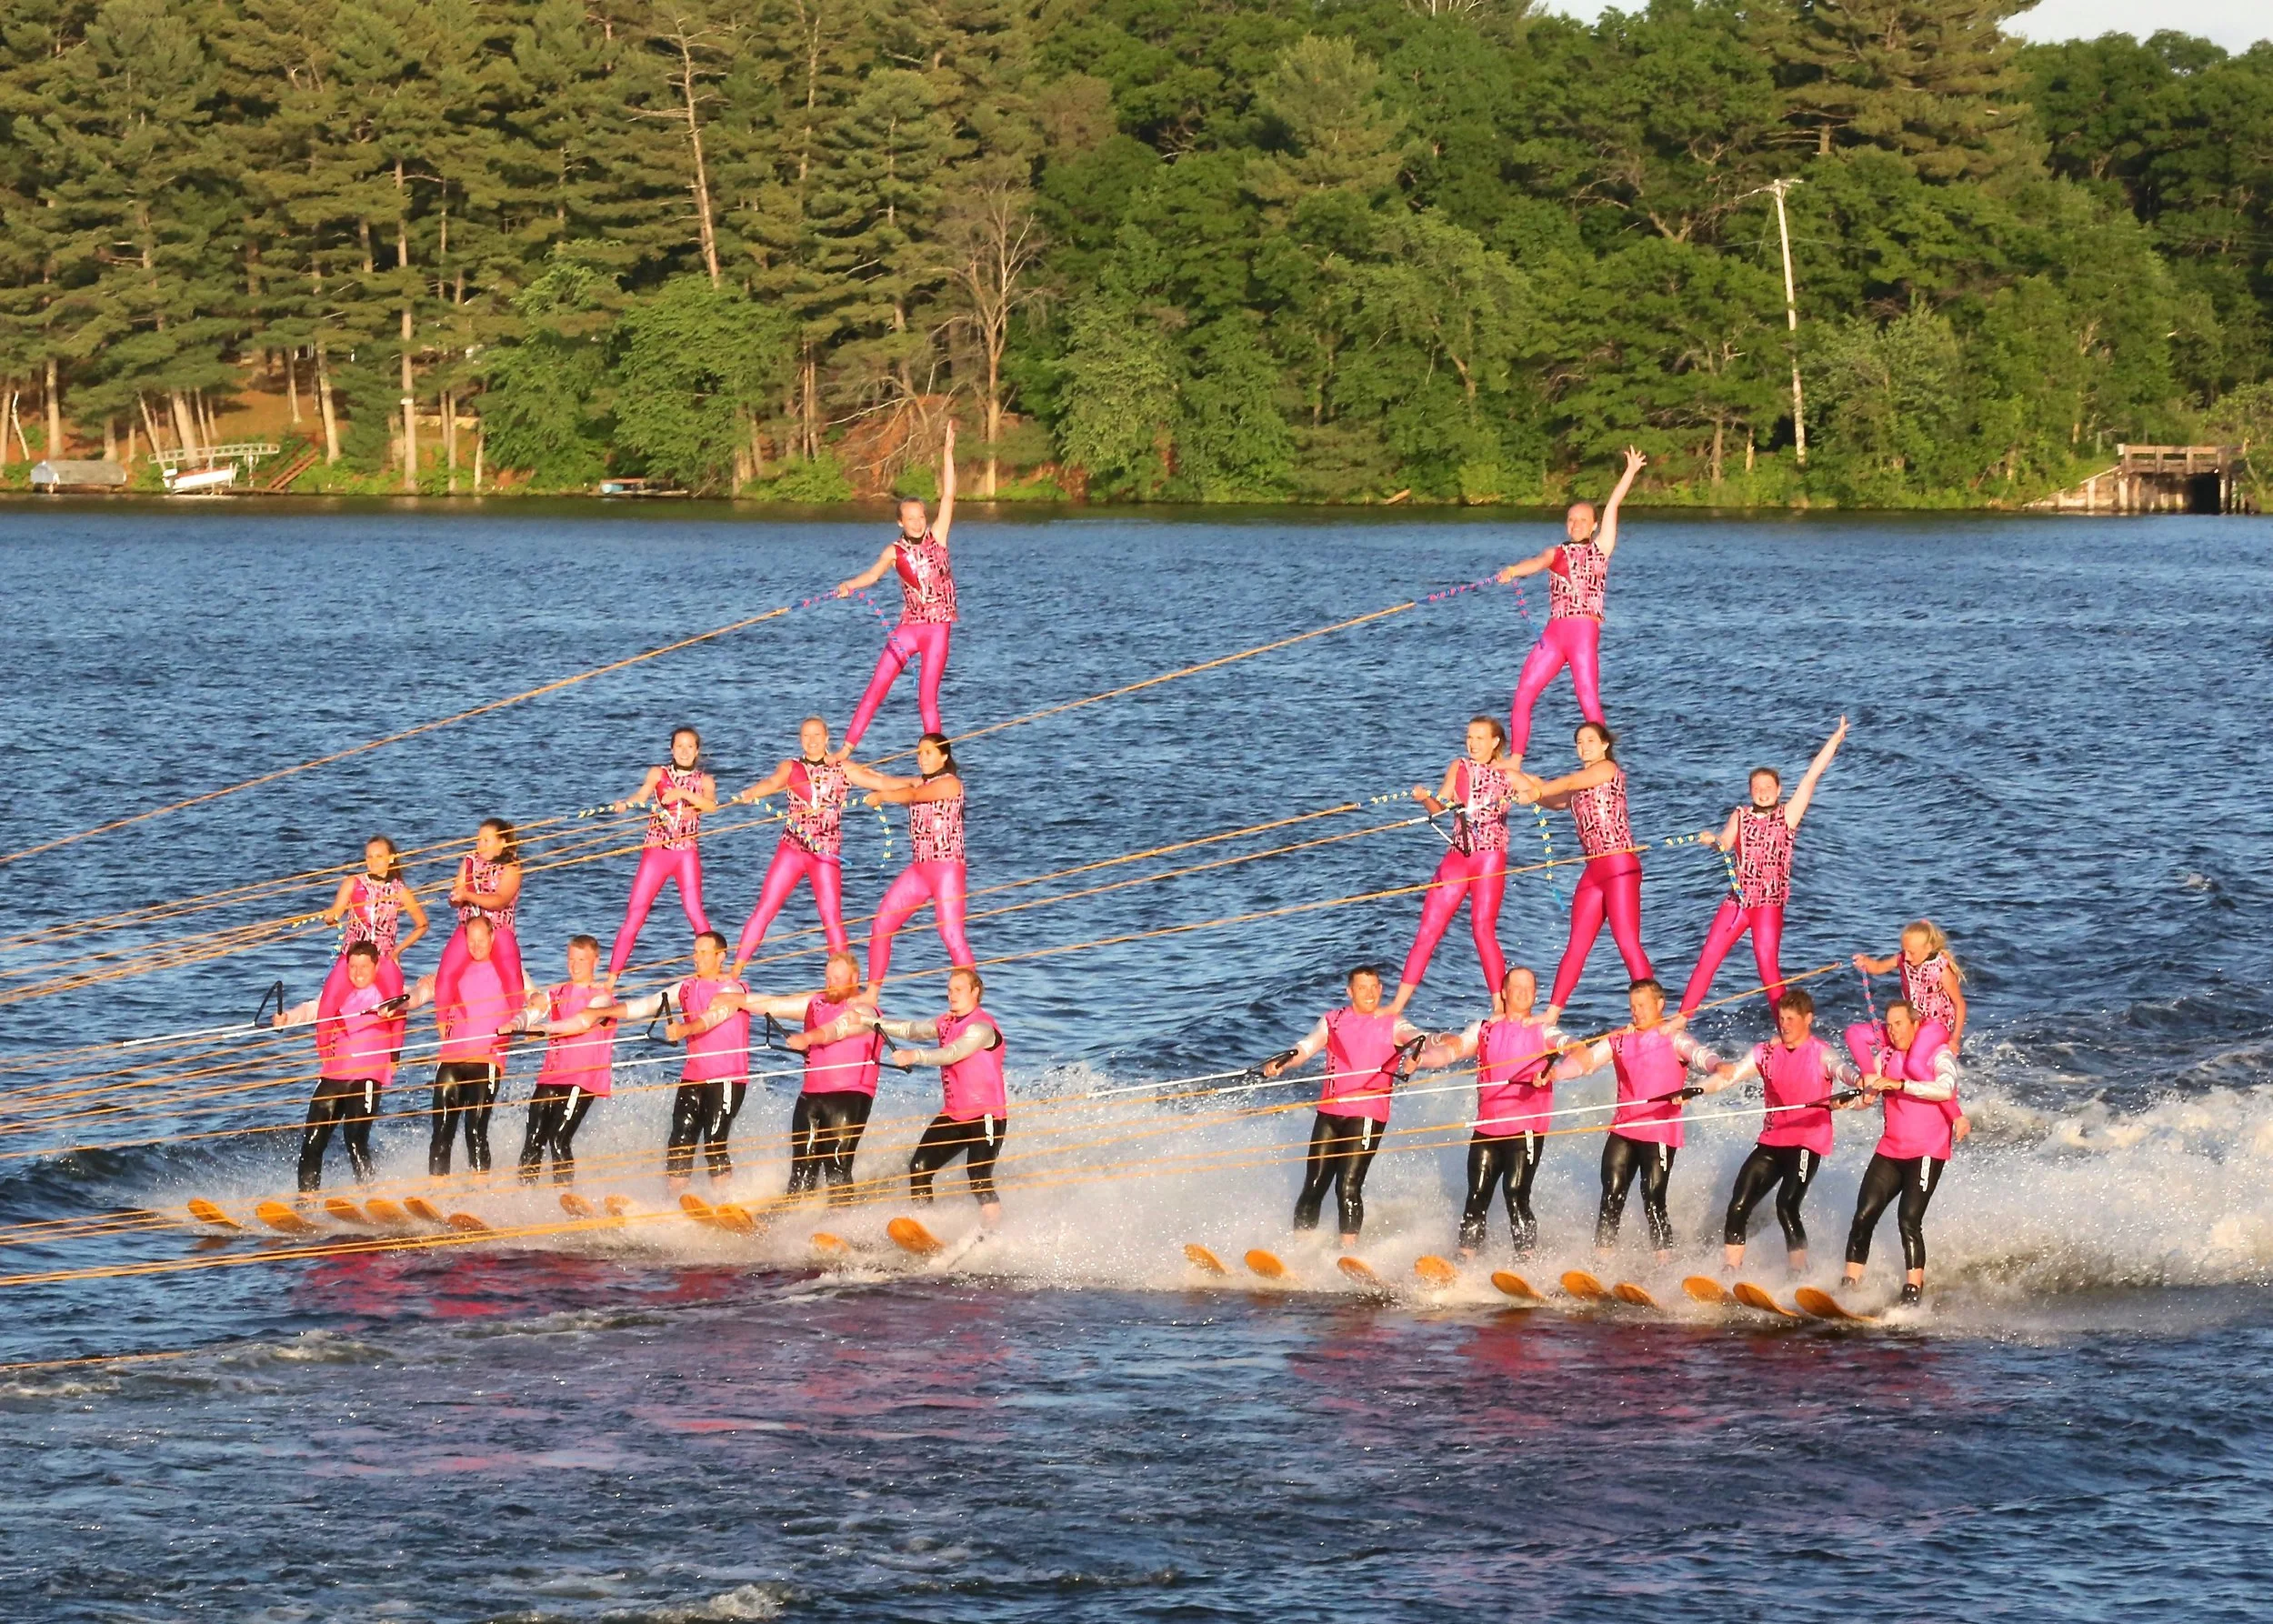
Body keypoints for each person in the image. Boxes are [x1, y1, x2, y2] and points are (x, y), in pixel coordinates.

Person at [1557, 977, 1730, 1262]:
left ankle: (1664, 1263)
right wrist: (1556, 1074)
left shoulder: (1673, 1038)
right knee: (1611, 1195)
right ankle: (1602, 1262)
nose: (1636, 1012)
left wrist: (1718, 1065)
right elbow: (1586, 1062)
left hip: (1659, 1132)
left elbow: (1700, 1055)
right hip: (1624, 1128)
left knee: (1653, 1198)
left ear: (1660, 1004)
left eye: (1642, 1005)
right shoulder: (1620, 1039)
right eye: (1632, 1006)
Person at [1680, 719, 1847, 1014]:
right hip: (1738, 901)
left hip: (1768, 904)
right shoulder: (1741, 815)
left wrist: (1834, 741)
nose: (1763, 791)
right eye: (1757, 787)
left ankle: (1784, 1028)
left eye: (1768, 786)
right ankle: (1680, 1021)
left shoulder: (1788, 816)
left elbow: (1811, 777)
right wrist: (1711, 840)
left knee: (1767, 966)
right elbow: (1725, 843)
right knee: (1708, 958)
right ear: (1750, 791)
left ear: (1779, 789)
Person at [1258, 966, 1428, 1248]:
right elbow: (1304, 1049)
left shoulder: (1393, 1023)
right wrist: (1281, 1063)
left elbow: (1417, 1038)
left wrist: (1417, 1055)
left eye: (1375, 987)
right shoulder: (1333, 1020)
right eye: (1362, 988)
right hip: (1330, 1112)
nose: (1370, 993)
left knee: (1347, 1187)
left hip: (1367, 1115)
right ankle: (1300, 1251)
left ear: (1382, 989)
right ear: (1350, 992)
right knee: (1313, 1186)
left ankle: (1349, 1254)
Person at [1496, 446, 1645, 765]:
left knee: (1587, 697)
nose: (1576, 524)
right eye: (1571, 519)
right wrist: (1511, 571)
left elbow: (1613, 506)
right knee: (1523, 695)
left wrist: (1629, 472)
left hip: (1582, 629)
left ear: (1592, 525)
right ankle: (1516, 758)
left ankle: (1604, 760)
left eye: (1582, 520)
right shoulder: (1556, 553)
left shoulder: (1601, 549)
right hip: (1554, 632)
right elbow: (1535, 563)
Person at [1414, 966, 1576, 1258]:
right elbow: (1453, 1051)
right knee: (1476, 1196)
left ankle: (1527, 1262)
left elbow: (1571, 1047)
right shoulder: (1484, 1030)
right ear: (1504, 992)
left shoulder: (1542, 1029)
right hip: (1487, 1129)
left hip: (1525, 1130)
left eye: (1529, 988)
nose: (1524, 993)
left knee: (1515, 1196)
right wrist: (1422, 1060)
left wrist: (1565, 1059)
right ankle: (1466, 1261)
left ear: (1536, 995)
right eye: (1517, 987)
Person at [729, 717, 902, 977]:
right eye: (806, 736)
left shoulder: (843, 767)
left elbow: (882, 783)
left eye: (817, 735)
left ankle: (844, 981)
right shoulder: (791, 767)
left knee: (831, 916)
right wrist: (751, 792)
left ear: (827, 738)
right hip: (792, 848)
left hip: (825, 852)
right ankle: (735, 972)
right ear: (800, 740)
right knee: (765, 908)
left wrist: (917, 782)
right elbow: (772, 783)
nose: (812, 741)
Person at [1716, 987, 1861, 1278]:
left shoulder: (1821, 1054)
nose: (1785, 1025)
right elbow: (1729, 1077)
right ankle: (1730, 1270)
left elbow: (1845, 1073)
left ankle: (1798, 1272)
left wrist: (1858, 1085)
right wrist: (1696, 1090)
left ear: (1808, 1019)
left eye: (1792, 1019)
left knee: (1786, 1205)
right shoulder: (1766, 1052)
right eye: (1782, 1018)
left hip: (1806, 1144)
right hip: (1771, 1142)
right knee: (1738, 1204)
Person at [836, 420, 960, 749]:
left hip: (937, 628)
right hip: (909, 627)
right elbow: (872, 576)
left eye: (921, 516)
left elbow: (949, 494)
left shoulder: (939, 536)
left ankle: (940, 760)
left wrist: (947, 454)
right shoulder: (894, 551)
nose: (918, 522)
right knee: (877, 685)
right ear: (900, 522)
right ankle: (845, 750)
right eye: (911, 518)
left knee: (926, 698)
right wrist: (850, 585)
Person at [1517, 722, 1653, 1013]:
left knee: (1627, 942)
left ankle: (1652, 1011)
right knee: (1576, 945)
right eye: (1579, 742)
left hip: (1619, 864)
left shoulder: (1607, 770)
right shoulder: (1582, 785)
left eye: (1590, 740)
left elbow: (1566, 783)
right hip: (1594, 869)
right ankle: (1552, 1014)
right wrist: (1522, 780)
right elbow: (1553, 798)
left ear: (1604, 745)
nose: (1584, 746)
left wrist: (1535, 791)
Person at [1388, 717, 1519, 1016]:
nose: (1473, 743)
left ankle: (1499, 1007)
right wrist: (1425, 799)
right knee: (1428, 930)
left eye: (1480, 738)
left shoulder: (1509, 772)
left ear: (1495, 742)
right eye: (1470, 737)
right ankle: (1396, 1006)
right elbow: (1440, 807)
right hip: (1457, 855)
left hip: (1490, 857)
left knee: (1483, 930)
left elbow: (1537, 793)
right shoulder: (1459, 765)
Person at [742, 951, 884, 1207]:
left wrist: (808, 1038)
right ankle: (792, 1220)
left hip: (849, 1098)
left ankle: (839, 1222)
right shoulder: (815, 1003)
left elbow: (837, 1029)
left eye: (837, 978)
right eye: (827, 977)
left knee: (837, 1166)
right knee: (802, 1167)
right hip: (810, 1097)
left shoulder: (864, 1010)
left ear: (854, 978)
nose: (830, 983)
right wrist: (734, 1000)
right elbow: (774, 1005)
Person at [1841, 999, 1959, 1307]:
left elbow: (1945, 1089)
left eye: (1899, 1024)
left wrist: (1902, 1084)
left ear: (1915, 1024)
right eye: (1889, 1025)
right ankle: (1849, 1285)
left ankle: (1912, 1291)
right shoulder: (1887, 1056)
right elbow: (1867, 1097)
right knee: (1863, 1215)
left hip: (1927, 1152)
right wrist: (1847, 1102)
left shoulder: (1938, 1054)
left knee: (1908, 1219)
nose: (1893, 1032)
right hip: (1891, 1150)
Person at [876, 966, 1008, 1225]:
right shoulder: (946, 1022)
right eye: (949, 990)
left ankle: (994, 1231)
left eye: (959, 990)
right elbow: (911, 1029)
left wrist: (915, 1055)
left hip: (986, 1116)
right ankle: (928, 1225)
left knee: (979, 1178)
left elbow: (953, 1053)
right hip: (953, 1116)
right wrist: (869, 1022)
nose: (952, 995)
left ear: (975, 992)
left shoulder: (982, 1028)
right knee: (919, 1167)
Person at [292, 942, 414, 1193]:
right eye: (353, 967)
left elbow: (412, 999)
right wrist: (287, 1018)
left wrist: (397, 1007)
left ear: (376, 966)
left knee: (355, 1139)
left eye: (364, 967)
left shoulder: (386, 994)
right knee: (312, 1142)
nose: (358, 973)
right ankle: (306, 1202)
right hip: (334, 1076)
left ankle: (370, 1197)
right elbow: (312, 1010)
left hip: (367, 1077)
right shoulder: (340, 993)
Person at [861, 733, 975, 991]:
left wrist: (883, 797)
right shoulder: (919, 782)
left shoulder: (951, 784)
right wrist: (848, 768)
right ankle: (871, 994)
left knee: (951, 934)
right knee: (882, 924)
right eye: (919, 753)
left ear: (943, 756)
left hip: (947, 868)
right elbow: (886, 781)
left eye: (928, 753)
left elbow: (912, 795)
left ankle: (970, 997)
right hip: (920, 869)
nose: (921, 758)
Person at [510, 934, 623, 1187]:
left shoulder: (602, 998)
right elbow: (533, 1011)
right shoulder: (558, 992)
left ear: (596, 961)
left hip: (583, 1079)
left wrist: (543, 1029)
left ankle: (564, 1196)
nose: (575, 965)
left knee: (559, 1138)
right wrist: (516, 1024)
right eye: (571, 959)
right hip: (551, 1074)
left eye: (582, 960)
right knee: (534, 1137)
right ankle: (523, 1196)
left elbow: (578, 1023)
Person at [606, 727, 717, 982]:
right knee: (635, 914)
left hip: (686, 854)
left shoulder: (705, 780)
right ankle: (611, 980)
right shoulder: (658, 773)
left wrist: (682, 793)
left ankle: (714, 973)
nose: (685, 751)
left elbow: (711, 805)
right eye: (679, 746)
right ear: (671, 749)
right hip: (656, 851)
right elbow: (642, 795)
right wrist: (627, 803)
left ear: (697, 751)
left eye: (690, 746)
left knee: (694, 912)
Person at [1853, 919, 1969, 1141]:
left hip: (1936, 1025)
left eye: (1912, 952)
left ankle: (1955, 1114)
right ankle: (1870, 1082)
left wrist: (1955, 1039)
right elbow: (1878, 968)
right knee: (1855, 1034)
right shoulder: (1903, 959)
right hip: (1912, 1022)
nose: (1906, 957)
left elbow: (1960, 1004)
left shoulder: (1941, 970)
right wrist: (1866, 962)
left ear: (1928, 949)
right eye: (1904, 951)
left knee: (1914, 1063)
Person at [429, 916, 526, 1179]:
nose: (476, 945)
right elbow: (428, 989)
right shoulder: (457, 969)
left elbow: (532, 998)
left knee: (474, 1129)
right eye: (471, 941)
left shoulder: (506, 968)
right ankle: (436, 1189)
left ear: (492, 938)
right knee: (442, 1129)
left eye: (481, 940)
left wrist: (527, 1021)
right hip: (451, 1059)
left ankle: (480, 1190)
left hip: (487, 1060)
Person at [663, 930, 753, 1188]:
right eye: (695, 951)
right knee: (680, 1139)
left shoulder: (732, 989)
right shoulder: (687, 987)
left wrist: (683, 1030)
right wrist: (602, 1012)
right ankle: (673, 1202)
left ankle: (725, 1201)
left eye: (703, 952)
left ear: (721, 956)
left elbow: (712, 1018)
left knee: (714, 1142)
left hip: (726, 1079)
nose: (696, 957)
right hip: (693, 1076)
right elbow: (645, 1005)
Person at [436, 818, 524, 1032]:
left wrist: (468, 894)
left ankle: (517, 1022)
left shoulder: (511, 868)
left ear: (502, 842)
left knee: (511, 975)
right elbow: (456, 896)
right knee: (446, 972)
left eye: (487, 840)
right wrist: (456, 898)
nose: (480, 845)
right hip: (469, 927)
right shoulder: (468, 861)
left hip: (498, 928)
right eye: (479, 840)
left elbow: (500, 900)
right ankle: (442, 1024)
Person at [318, 835, 427, 1005]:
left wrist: (397, 951)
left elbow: (422, 925)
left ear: (391, 859)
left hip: (383, 956)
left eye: (379, 856)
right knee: (328, 1002)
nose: (373, 861)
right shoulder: (352, 883)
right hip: (352, 955)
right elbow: (335, 916)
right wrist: (330, 918)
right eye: (369, 856)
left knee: (394, 1005)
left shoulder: (400, 890)